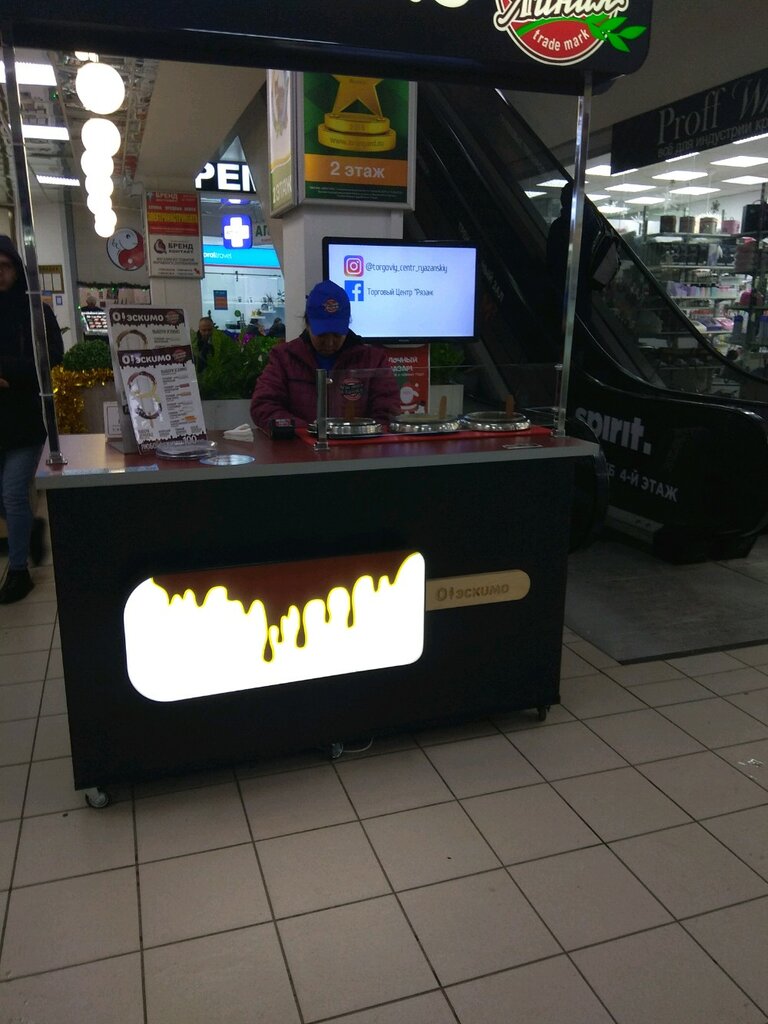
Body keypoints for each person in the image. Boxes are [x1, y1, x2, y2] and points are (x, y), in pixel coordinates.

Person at [0, 235, 64, 603]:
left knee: (12, 491)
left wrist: (10, 374)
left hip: (24, 418)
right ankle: (29, 528)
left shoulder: (35, 310)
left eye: (4, 266)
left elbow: (53, 354)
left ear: (16, 268)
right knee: (8, 498)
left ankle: (18, 571)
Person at [250, 280, 400, 431]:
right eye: (321, 335)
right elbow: (263, 406)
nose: (329, 342)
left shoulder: (374, 360)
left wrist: (357, 433)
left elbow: (387, 412)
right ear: (307, 324)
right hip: (299, 444)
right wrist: (310, 431)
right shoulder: (284, 358)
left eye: (337, 335)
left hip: (358, 444)